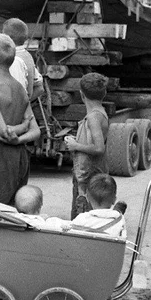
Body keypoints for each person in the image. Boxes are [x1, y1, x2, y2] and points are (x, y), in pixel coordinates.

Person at [0, 34, 41, 205]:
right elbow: (36, 131)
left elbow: (3, 131)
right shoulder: (20, 89)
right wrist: (22, 133)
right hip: (20, 154)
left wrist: (15, 132)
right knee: (14, 206)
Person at [62, 72, 110, 217]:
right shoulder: (99, 113)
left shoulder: (93, 117)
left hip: (88, 175)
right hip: (92, 173)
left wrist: (76, 146)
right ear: (105, 93)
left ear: (81, 95)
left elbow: (99, 148)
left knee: (83, 214)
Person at [2, 18, 46, 101]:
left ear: (7, 37)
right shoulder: (27, 56)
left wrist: (20, 108)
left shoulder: (15, 60)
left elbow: (18, 96)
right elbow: (40, 88)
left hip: (13, 112)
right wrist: (26, 105)